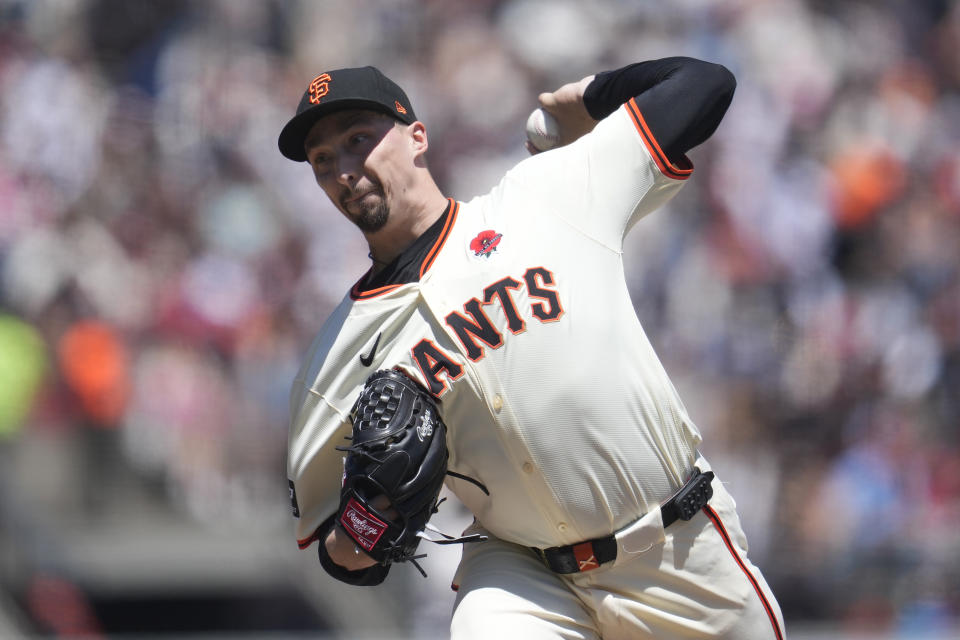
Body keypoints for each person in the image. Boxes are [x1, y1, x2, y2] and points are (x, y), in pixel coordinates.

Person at [279, 60, 785, 639]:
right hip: (523, 575)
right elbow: (336, 553)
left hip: (677, 547)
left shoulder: (543, 196)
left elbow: (705, 84)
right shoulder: (333, 358)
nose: (345, 168)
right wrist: (368, 523)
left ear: (416, 137)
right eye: (323, 160)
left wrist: (590, 98)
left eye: (358, 140)